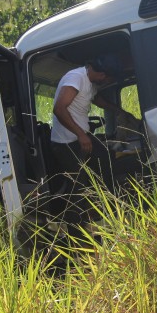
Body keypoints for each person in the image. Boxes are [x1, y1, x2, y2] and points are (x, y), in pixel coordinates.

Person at [50, 55, 135, 228]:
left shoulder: (90, 82)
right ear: (103, 76)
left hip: (80, 137)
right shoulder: (76, 78)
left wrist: (118, 111)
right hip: (66, 143)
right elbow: (59, 109)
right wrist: (81, 135)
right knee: (78, 185)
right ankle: (77, 230)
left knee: (106, 159)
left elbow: (96, 99)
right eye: (109, 80)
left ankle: (111, 206)